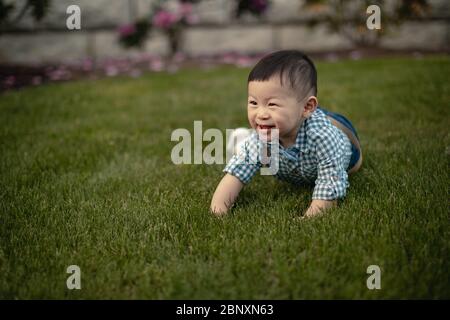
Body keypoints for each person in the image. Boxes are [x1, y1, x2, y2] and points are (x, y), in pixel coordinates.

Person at [210, 50, 362, 218]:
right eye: (254, 102)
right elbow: (235, 175)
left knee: (345, 155)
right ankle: (243, 141)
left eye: (272, 104)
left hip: (340, 143)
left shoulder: (323, 138)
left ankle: (245, 140)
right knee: (252, 147)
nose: (261, 113)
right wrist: (218, 212)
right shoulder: (262, 136)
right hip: (291, 129)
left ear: (307, 107)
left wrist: (309, 218)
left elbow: (329, 187)